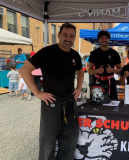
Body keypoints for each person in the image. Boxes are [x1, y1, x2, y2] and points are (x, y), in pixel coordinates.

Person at [20, 23, 84, 160]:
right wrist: (37, 93)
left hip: (70, 102)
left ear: (74, 38)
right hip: (51, 102)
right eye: (65, 35)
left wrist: (78, 88)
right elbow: (24, 70)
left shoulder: (75, 55)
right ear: (59, 35)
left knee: (70, 139)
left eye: (71, 36)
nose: (68, 38)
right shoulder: (47, 52)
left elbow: (80, 71)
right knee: (48, 141)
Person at [88, 30, 121, 100]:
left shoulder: (115, 53)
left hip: (110, 82)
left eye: (106, 38)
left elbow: (120, 70)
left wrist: (112, 70)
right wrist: (97, 70)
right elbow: (89, 71)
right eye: (102, 38)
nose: (104, 40)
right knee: (96, 103)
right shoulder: (94, 53)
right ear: (99, 40)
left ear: (109, 39)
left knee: (113, 102)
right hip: (97, 81)